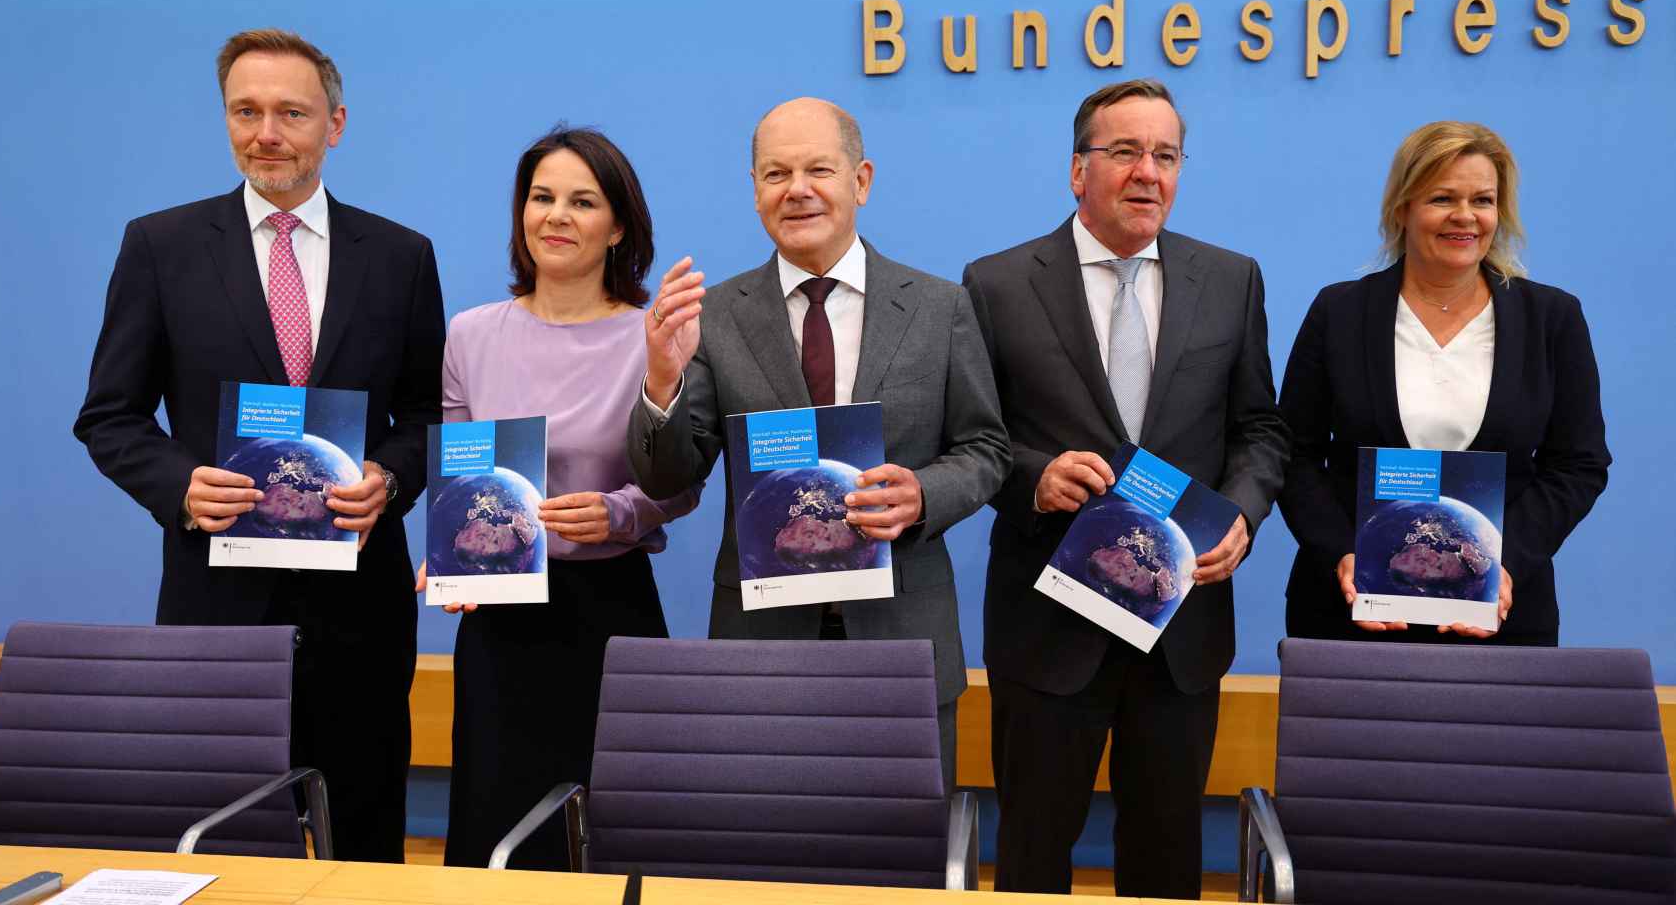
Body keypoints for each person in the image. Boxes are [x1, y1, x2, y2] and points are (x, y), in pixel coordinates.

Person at [73, 28, 444, 862]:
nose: (265, 132)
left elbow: (428, 412)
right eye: (245, 111)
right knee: (223, 839)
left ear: (335, 124)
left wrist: (391, 474)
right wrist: (178, 485)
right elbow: (110, 414)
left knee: (364, 840)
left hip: (360, 607)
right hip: (217, 602)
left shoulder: (400, 256)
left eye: (290, 112)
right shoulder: (159, 247)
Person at [962, 79, 1289, 898]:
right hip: (1047, 628)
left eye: (1166, 155)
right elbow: (970, 439)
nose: (1148, 172)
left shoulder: (1231, 278)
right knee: (1033, 852)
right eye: (1125, 152)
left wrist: (1244, 513)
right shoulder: (996, 284)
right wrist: (1036, 478)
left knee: (1166, 857)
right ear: (1078, 170)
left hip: (1182, 624)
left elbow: (1260, 430)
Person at [627, 97, 1010, 792]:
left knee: (904, 861)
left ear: (860, 181)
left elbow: (986, 449)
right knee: (768, 857)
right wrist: (661, 378)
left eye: (818, 170)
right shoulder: (715, 317)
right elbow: (666, 476)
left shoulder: (938, 306)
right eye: (775, 173)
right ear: (754, 192)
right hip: (760, 640)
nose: (796, 189)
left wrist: (924, 494)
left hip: (904, 629)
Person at [420, 126, 699, 869]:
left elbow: (681, 482)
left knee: (616, 835)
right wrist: (447, 559)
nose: (557, 216)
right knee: (496, 830)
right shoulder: (471, 334)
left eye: (583, 201)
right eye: (542, 197)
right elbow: (460, 476)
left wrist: (620, 512)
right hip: (501, 630)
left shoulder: (654, 335)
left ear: (617, 227)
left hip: (610, 612)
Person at [1279, 120, 1609, 645]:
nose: (1465, 216)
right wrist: (1342, 551)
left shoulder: (1552, 318)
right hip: (1350, 613)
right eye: (1441, 198)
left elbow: (1579, 463)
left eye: (1482, 199)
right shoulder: (1339, 311)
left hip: (1502, 615)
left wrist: (1507, 563)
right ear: (1402, 208)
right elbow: (1292, 452)